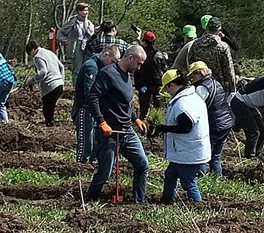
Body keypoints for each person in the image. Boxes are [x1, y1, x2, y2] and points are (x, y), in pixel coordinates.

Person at [86, 44, 150, 204]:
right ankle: (89, 201)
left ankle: (139, 202)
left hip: (126, 130)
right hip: (110, 132)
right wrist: (101, 122)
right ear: (130, 58)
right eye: (139, 63)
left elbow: (124, 102)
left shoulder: (127, 75)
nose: (139, 67)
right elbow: (92, 97)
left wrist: (135, 118)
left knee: (142, 164)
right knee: (105, 172)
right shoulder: (107, 74)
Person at [151, 69, 210, 204]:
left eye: (167, 88)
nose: (167, 92)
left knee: (188, 182)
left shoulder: (184, 103)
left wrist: (164, 128)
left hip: (188, 153)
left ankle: (197, 205)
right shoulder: (191, 97)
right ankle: (166, 200)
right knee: (170, 176)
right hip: (184, 151)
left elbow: (186, 127)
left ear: (172, 85)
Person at [72, 44, 119, 163]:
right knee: (86, 140)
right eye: (112, 61)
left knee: (95, 139)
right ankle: (81, 164)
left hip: (94, 109)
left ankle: (93, 161)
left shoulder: (100, 67)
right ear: (106, 54)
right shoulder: (91, 67)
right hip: (85, 108)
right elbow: (89, 92)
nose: (113, 64)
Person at [187, 61, 233, 176]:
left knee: (203, 154)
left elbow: (196, 108)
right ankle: (216, 179)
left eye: (193, 75)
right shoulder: (215, 82)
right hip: (226, 122)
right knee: (216, 156)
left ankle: (201, 178)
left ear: (198, 73)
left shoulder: (201, 88)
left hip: (214, 125)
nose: (192, 79)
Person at [185, 17, 236, 94]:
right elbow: (228, 69)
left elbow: (191, 64)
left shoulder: (195, 44)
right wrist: (232, 89)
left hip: (199, 85)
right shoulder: (222, 46)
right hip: (218, 87)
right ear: (219, 30)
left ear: (206, 29)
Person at [25, 40, 66, 126]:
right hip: (59, 84)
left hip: (50, 86)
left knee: (47, 111)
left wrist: (31, 81)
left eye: (30, 53)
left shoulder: (37, 57)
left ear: (33, 49)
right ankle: (52, 128)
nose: (31, 56)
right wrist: (62, 80)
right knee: (50, 109)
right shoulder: (49, 52)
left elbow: (43, 72)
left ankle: (51, 131)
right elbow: (61, 67)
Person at [58, 2, 96, 79]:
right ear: (79, 11)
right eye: (84, 10)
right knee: (77, 68)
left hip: (87, 46)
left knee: (88, 67)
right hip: (76, 46)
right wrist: (65, 40)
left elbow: (90, 35)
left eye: (87, 10)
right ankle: (76, 87)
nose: (86, 12)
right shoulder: (73, 22)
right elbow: (60, 32)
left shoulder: (88, 23)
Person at [135, 31, 164, 121]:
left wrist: (137, 85)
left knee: (143, 110)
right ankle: (157, 129)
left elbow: (136, 70)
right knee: (158, 109)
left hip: (144, 86)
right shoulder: (159, 55)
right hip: (157, 85)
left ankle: (142, 129)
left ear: (144, 41)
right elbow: (164, 69)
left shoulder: (141, 54)